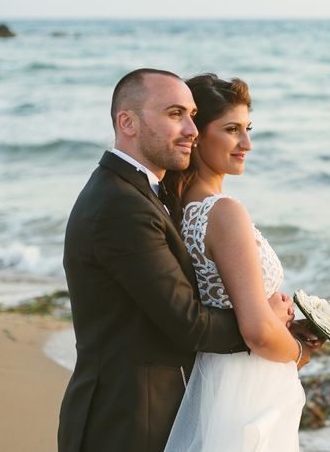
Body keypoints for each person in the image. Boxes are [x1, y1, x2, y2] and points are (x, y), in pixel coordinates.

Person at [58, 68, 294, 452]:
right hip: (125, 422)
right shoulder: (122, 205)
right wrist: (270, 328)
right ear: (127, 122)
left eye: (191, 114)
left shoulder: (148, 196)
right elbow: (188, 321)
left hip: (152, 411)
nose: (192, 129)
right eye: (174, 114)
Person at [164, 74, 322, 452]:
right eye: (232, 129)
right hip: (245, 387)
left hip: (217, 381)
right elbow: (255, 332)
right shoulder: (224, 213)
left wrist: (277, 321)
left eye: (247, 129)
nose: (247, 143)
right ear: (196, 134)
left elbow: (224, 306)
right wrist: (300, 351)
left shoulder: (177, 209)